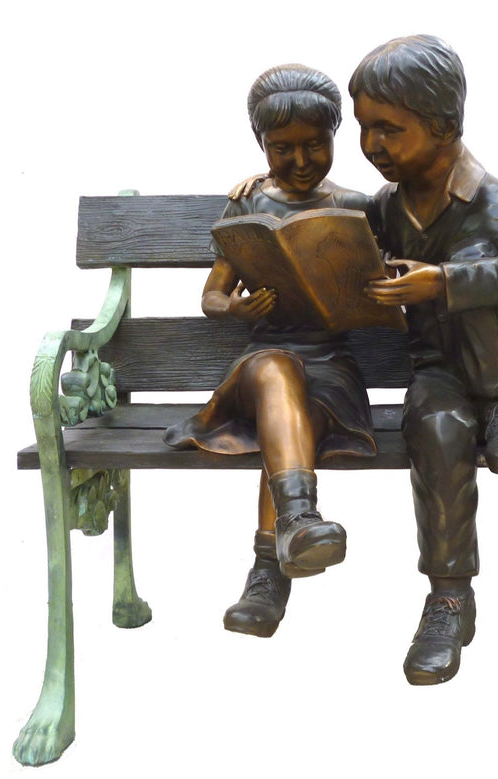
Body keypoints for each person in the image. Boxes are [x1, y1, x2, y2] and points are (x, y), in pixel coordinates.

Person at [352, 35, 498, 684]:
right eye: (363, 129)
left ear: (444, 129)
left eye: (388, 129)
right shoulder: (387, 205)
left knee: (478, 269)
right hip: (438, 375)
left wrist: (438, 281)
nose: (372, 144)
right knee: (435, 427)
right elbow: (336, 230)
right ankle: (448, 597)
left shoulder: (488, 196)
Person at [164, 64, 377, 638]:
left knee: (296, 410)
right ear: (262, 146)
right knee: (276, 369)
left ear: (337, 137)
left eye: (315, 145)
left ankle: (269, 571)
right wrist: (233, 309)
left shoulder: (360, 204)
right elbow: (212, 294)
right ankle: (298, 522)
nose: (302, 162)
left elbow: (393, 282)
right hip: (257, 371)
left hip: (330, 370)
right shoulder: (249, 206)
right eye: (283, 149)